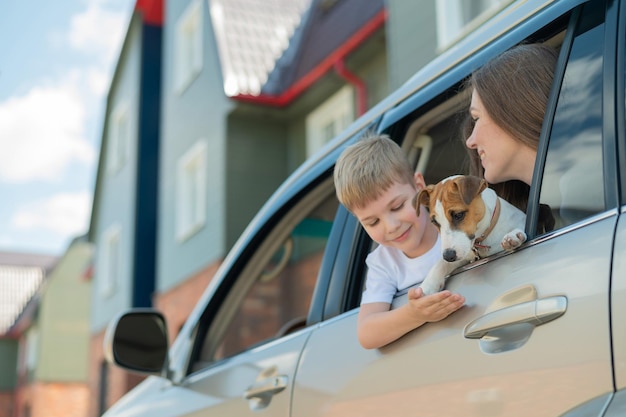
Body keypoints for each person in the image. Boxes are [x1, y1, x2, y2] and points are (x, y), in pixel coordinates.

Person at [334, 133, 465, 350]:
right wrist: (414, 314)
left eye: (396, 207)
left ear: (419, 186)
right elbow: (367, 333)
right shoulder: (384, 263)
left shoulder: (458, 223)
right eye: (373, 221)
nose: (391, 226)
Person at [463, 43, 558, 232]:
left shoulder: (588, 196)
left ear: (512, 111)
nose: (470, 141)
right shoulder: (555, 210)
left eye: (477, 118)